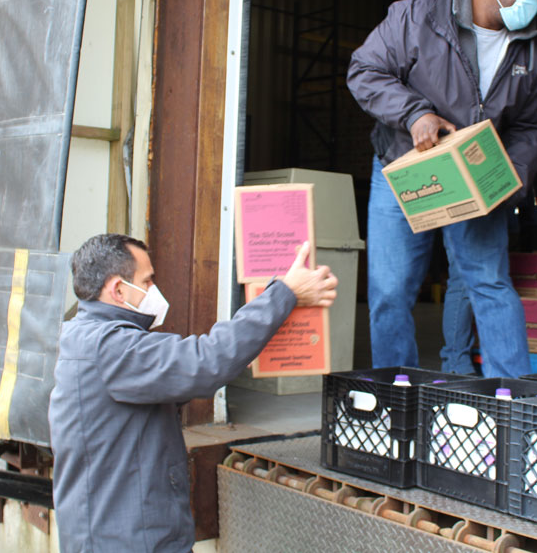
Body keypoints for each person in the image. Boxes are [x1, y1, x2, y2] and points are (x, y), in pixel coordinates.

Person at [347, 0, 537, 377]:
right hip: (405, 171)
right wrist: (414, 114)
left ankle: (515, 406)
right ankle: (397, 399)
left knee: (491, 285)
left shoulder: (534, 47)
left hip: (474, 177)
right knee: (389, 291)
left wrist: (513, 178)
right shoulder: (419, 16)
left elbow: (531, 126)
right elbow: (364, 71)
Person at [48, 233, 337, 553]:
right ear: (118, 289)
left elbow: (186, 376)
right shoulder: (111, 348)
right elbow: (207, 361)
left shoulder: (85, 335)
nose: (154, 291)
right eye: (147, 281)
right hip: (126, 541)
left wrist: (245, 347)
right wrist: (285, 293)